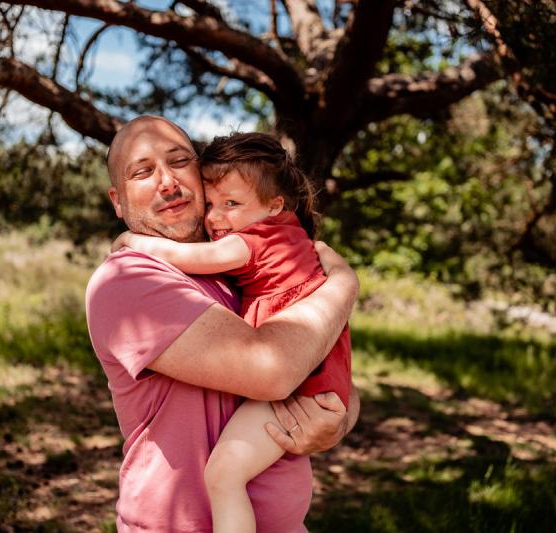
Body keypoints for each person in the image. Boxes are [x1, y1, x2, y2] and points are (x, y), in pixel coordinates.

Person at [85, 115, 360, 532]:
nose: (166, 182)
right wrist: (343, 286)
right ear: (118, 201)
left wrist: (337, 422)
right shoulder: (129, 280)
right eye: (142, 172)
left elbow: (328, 370)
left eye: (179, 162)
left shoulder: (237, 273)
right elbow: (274, 370)